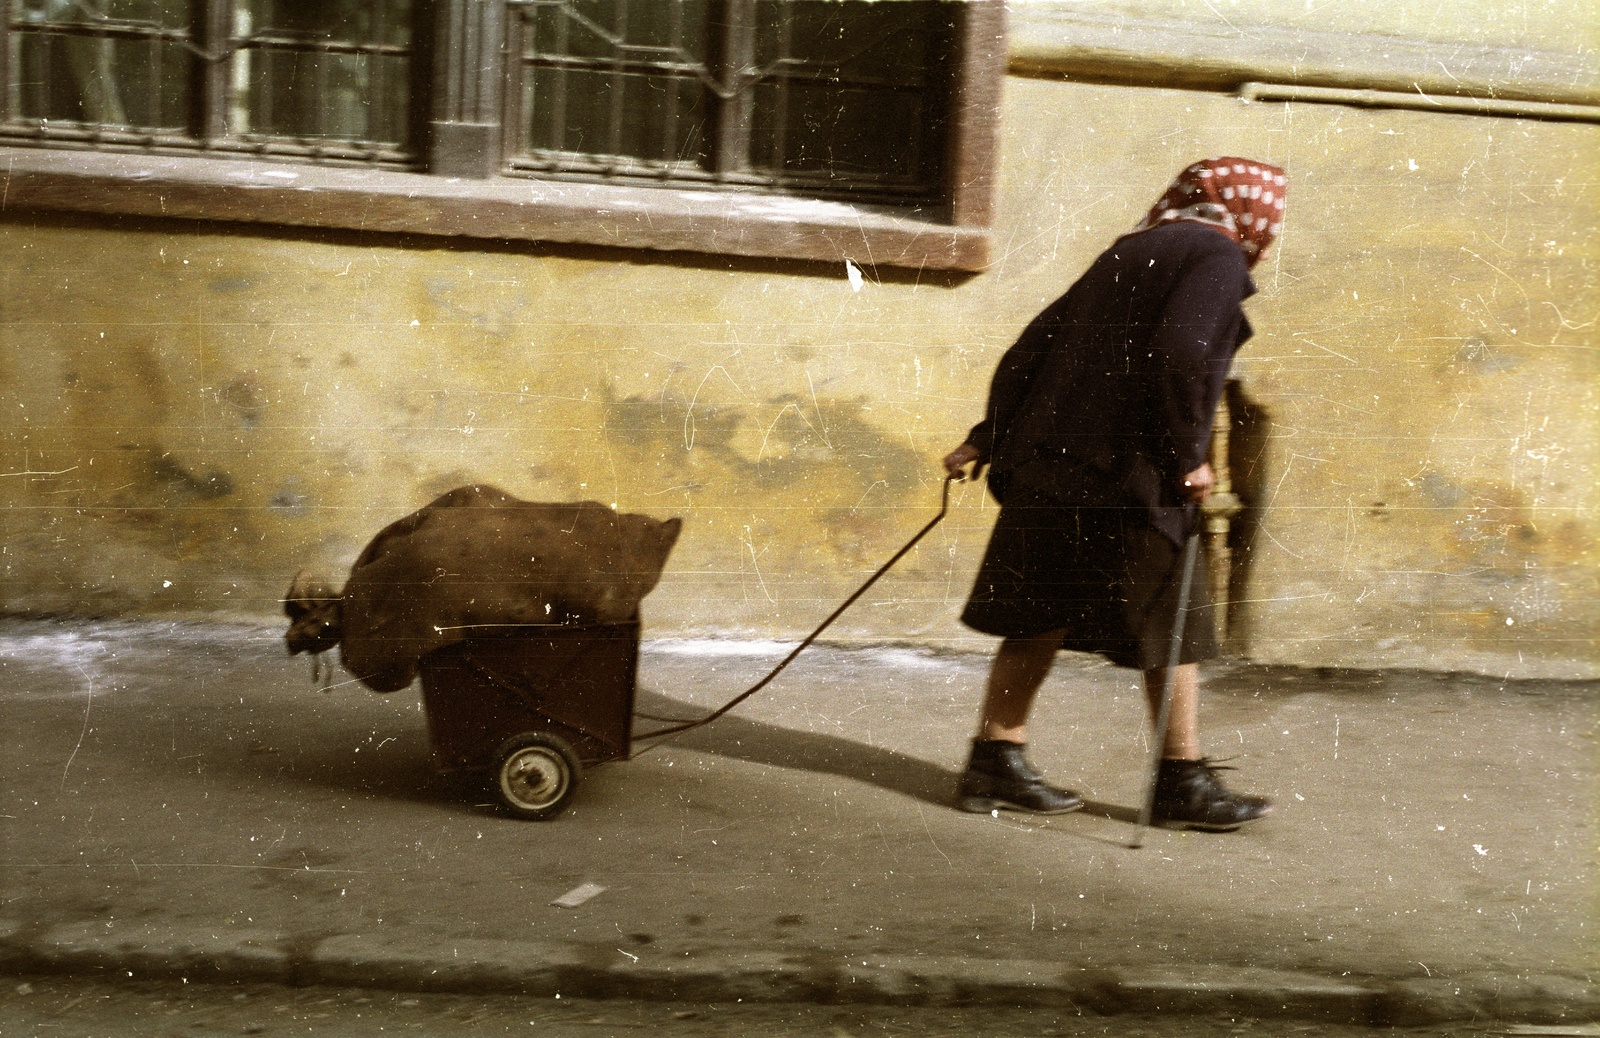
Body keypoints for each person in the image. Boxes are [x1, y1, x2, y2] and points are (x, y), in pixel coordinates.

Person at [942, 157, 1285, 832]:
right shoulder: (1214, 255)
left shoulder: (1130, 251)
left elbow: (1031, 347)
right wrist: (1189, 458)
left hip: (1053, 468)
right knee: (1171, 620)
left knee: (1037, 614)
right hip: (1129, 477)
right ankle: (1181, 780)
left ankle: (994, 758)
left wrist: (987, 436)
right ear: (1247, 209)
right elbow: (1182, 353)